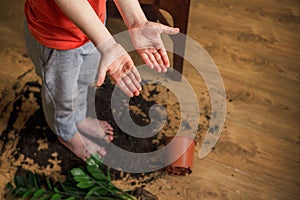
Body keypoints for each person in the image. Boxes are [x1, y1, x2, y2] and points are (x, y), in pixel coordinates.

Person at [23, 0, 179, 161]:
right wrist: (108, 45)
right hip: (56, 37)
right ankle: (67, 134)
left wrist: (137, 21)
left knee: (84, 80)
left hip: (96, 27)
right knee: (62, 97)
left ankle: (79, 118)